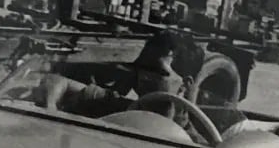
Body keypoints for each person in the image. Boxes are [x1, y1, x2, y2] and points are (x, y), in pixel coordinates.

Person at [36, 31, 204, 131]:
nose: (144, 78)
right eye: (141, 69)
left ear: (185, 84)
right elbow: (55, 81)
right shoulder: (125, 109)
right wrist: (51, 112)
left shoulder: (196, 147)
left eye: (156, 72)